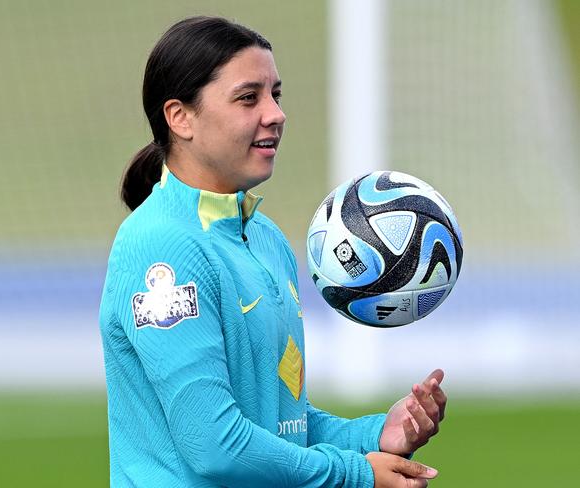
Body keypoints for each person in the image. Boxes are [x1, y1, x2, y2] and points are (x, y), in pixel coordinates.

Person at [99, 16, 447, 488]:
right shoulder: (161, 246)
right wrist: (355, 474)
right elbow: (214, 445)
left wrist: (375, 434)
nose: (275, 114)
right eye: (249, 97)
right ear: (180, 117)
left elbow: (283, 426)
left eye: (275, 94)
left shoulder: (266, 239)